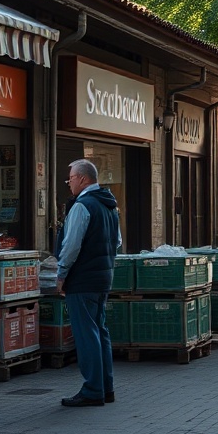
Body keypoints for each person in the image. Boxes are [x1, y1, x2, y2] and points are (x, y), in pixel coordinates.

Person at [56, 159, 121, 407]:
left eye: (70, 178)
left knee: (86, 335)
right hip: (103, 278)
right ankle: (106, 387)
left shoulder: (82, 206)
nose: (69, 183)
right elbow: (116, 243)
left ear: (82, 179)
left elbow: (71, 246)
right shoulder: (110, 206)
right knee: (100, 331)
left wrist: (61, 274)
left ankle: (93, 389)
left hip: (82, 280)